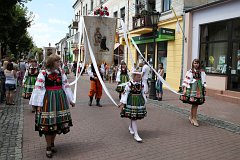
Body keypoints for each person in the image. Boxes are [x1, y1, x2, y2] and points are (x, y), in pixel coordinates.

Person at [29, 54, 75, 158]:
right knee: (48, 124)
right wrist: (38, 104)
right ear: (51, 62)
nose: (59, 63)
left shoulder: (61, 72)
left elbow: (66, 85)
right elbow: (38, 89)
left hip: (60, 100)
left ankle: (52, 143)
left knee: (56, 124)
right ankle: (48, 147)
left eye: (59, 61)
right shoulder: (43, 73)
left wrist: (71, 100)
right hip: (48, 100)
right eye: (57, 61)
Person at [118, 70, 147, 142]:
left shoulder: (141, 84)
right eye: (138, 77)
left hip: (138, 102)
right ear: (134, 77)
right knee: (133, 117)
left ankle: (131, 127)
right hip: (131, 102)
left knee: (134, 116)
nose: (140, 78)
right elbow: (125, 94)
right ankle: (136, 134)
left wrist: (144, 101)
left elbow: (143, 93)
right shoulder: (129, 84)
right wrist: (122, 102)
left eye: (140, 77)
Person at [180, 59, 206, 127]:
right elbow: (187, 80)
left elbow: (203, 81)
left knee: (195, 104)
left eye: (197, 63)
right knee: (194, 103)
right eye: (195, 63)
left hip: (199, 88)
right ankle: (193, 118)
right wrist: (185, 89)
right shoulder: (190, 71)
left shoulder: (201, 72)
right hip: (192, 89)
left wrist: (204, 89)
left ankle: (192, 117)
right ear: (193, 64)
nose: (196, 64)